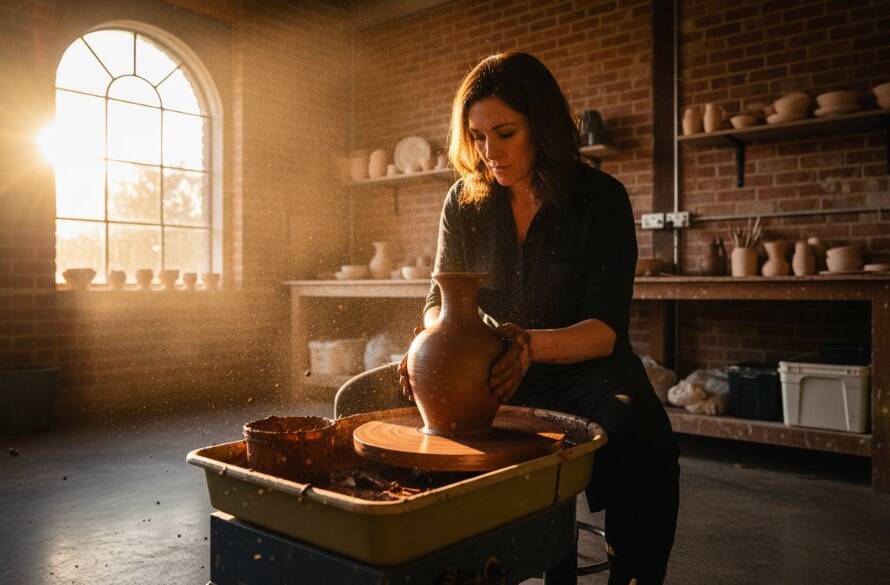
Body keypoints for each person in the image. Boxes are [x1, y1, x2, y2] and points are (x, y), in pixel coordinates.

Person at [397, 52, 679, 585]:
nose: (489, 152)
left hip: (582, 372)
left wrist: (527, 346)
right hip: (489, 372)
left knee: (644, 435)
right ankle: (438, 564)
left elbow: (603, 331)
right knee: (359, 404)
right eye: (477, 137)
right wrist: (425, 344)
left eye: (504, 133)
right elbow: (438, 302)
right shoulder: (465, 200)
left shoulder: (600, 198)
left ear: (542, 126)